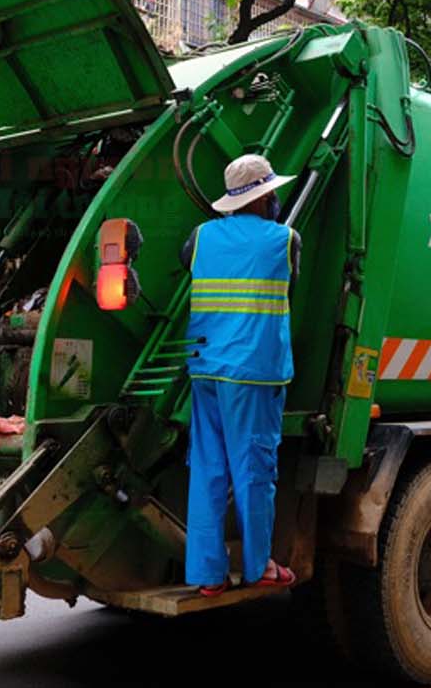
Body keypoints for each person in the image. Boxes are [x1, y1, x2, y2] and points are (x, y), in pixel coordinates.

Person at [180, 153, 301, 596]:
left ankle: (208, 575)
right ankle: (258, 566)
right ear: (266, 196)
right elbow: (293, 286)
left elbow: (186, 261)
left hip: (205, 368)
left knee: (207, 469)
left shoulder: (201, 237)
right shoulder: (285, 240)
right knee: (252, 470)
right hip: (253, 373)